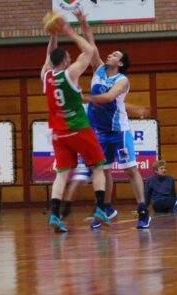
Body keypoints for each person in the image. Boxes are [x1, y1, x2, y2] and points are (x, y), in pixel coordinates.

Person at [72, 9, 150, 229]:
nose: (110, 55)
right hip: (99, 131)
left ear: (121, 63)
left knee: (130, 170)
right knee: (103, 170)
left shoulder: (122, 80)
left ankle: (143, 210)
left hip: (119, 132)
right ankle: (105, 208)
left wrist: (85, 98)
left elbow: (108, 97)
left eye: (115, 55)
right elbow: (91, 42)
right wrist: (83, 22)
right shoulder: (98, 69)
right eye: (110, 53)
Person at [40, 16, 111, 233]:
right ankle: (101, 208)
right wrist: (69, 32)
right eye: (69, 58)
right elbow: (89, 51)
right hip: (78, 128)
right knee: (97, 168)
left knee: (62, 174)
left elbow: (48, 56)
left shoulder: (45, 76)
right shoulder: (70, 74)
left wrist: (53, 35)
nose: (71, 60)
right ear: (64, 61)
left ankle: (54, 214)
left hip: (58, 133)